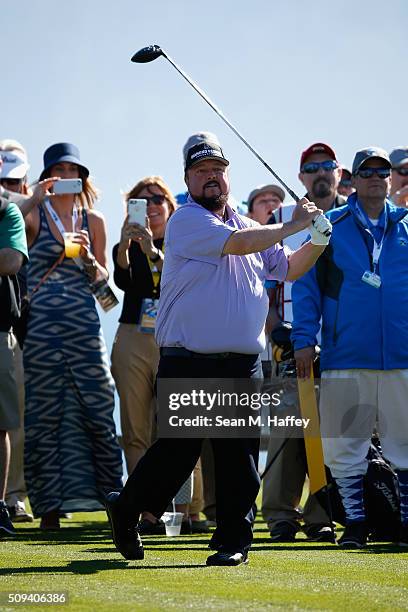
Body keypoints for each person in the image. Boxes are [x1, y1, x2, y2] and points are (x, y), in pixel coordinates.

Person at [104, 133, 332, 566]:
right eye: (202, 171)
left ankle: (233, 542)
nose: (212, 178)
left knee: (238, 454)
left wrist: (318, 238)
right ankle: (129, 507)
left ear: (228, 177)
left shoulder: (251, 226)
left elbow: (290, 268)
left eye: (218, 171)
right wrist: (293, 225)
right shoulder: (187, 221)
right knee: (177, 451)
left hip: (241, 361)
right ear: (187, 178)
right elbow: (237, 246)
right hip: (189, 358)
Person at [292, 147, 408, 549]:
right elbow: (305, 285)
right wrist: (303, 339)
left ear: (391, 179)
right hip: (344, 353)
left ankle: (405, 525)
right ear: (352, 180)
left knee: (405, 442)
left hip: (402, 355)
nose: (376, 176)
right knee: (345, 445)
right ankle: (354, 525)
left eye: (383, 170)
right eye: (367, 171)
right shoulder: (330, 225)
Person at [22, 142, 123, 530]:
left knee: (99, 408)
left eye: (72, 170)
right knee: (44, 416)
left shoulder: (92, 219)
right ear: (48, 176)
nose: (66, 176)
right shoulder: (34, 215)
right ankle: (49, 509)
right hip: (43, 332)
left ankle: (115, 501)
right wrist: (34, 197)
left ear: (82, 176)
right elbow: (8, 221)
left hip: (84, 328)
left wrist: (88, 259)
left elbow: (104, 287)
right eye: (58, 170)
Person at [262, 143, 345, 543]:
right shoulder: (281, 219)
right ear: (300, 178)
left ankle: (321, 515)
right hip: (291, 343)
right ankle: (280, 515)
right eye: (311, 168)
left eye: (327, 165)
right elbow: (263, 286)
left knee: (332, 432)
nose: (319, 173)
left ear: (339, 172)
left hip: (343, 345)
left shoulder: (353, 216)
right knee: (288, 430)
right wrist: (278, 330)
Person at [0, 140, 33, 523]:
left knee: (10, 420)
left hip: (15, 322)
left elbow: (11, 259)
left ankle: (11, 496)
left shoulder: (15, 210)